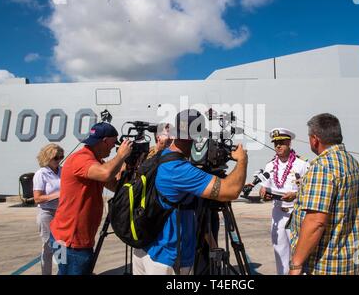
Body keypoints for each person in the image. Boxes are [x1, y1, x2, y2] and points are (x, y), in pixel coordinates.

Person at [132, 109, 248, 275]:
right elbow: (231, 191)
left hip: (146, 249)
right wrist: (242, 160)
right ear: (195, 136)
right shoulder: (180, 170)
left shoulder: (159, 157)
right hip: (166, 259)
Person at [49, 122, 132, 275]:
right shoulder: (81, 159)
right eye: (113, 144)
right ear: (105, 140)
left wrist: (126, 166)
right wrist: (120, 156)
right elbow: (105, 174)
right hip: (70, 242)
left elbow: (113, 185)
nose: (114, 148)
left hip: (71, 238)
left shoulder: (96, 161)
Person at [289, 113, 359, 275]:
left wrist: (296, 264)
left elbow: (316, 222)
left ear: (315, 139)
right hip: (352, 260)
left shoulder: (323, 168)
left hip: (326, 265)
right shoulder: (352, 162)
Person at [246, 127, 309, 275]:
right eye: (276, 144)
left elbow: (309, 191)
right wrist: (264, 194)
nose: (278, 146)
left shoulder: (302, 165)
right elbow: (265, 188)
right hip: (278, 213)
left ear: (289, 143)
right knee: (279, 249)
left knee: (298, 252)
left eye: (281, 143)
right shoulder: (270, 165)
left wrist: (295, 194)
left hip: (295, 213)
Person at [33, 143, 64, 275]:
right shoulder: (41, 174)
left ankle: (62, 272)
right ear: (48, 157)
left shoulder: (62, 170)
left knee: (61, 245)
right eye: (56, 157)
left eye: (61, 157)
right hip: (47, 213)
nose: (59, 160)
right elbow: (37, 198)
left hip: (61, 212)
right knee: (48, 246)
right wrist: (57, 195)